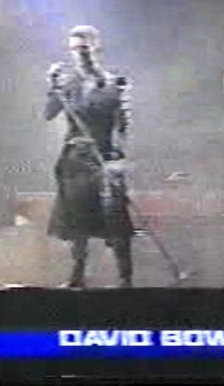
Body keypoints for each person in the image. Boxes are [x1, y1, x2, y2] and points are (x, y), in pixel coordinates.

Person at [44, 25, 134, 288]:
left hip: (104, 156)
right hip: (75, 157)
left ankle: (125, 278)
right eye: (75, 49)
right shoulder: (68, 85)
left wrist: (117, 159)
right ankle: (78, 274)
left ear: (97, 48)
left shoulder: (115, 83)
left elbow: (122, 126)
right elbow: (49, 113)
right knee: (76, 220)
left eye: (85, 48)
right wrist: (53, 86)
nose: (80, 55)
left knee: (115, 218)